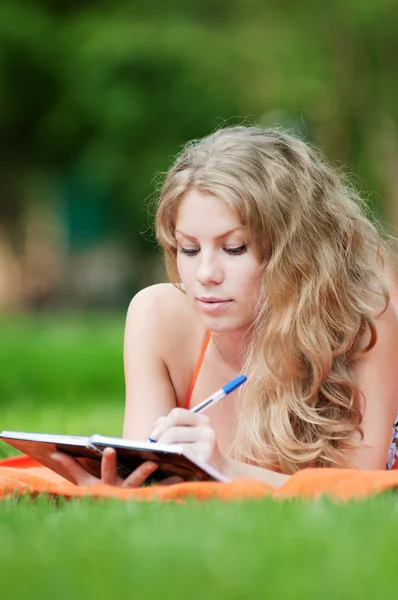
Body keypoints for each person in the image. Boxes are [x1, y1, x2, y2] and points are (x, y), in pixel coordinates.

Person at [53, 125, 398, 488]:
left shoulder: (361, 321)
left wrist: (225, 469)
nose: (205, 274)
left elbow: (357, 491)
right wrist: (119, 487)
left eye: (234, 248)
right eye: (189, 248)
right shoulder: (157, 317)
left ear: (298, 253)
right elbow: (147, 473)